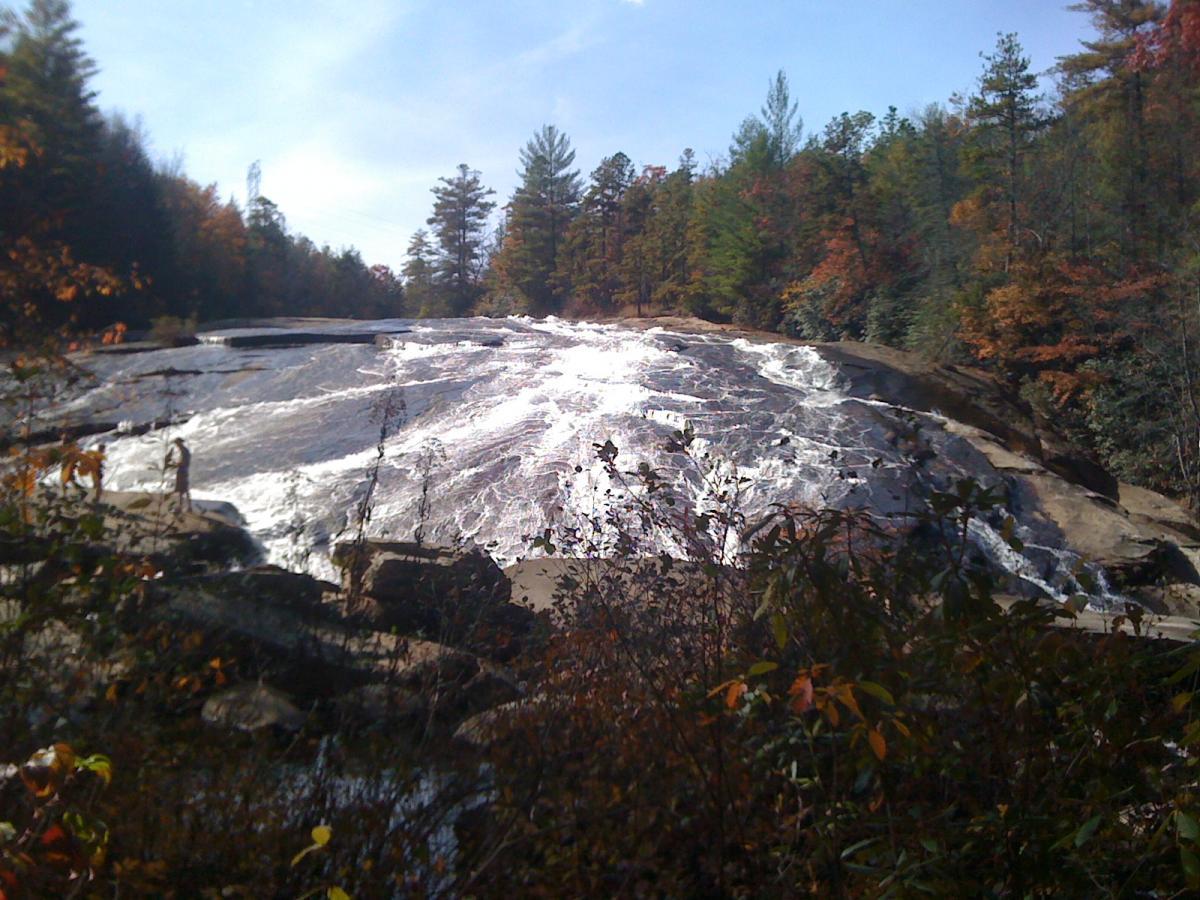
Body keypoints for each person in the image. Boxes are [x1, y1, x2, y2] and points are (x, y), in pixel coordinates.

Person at [165, 437, 192, 513]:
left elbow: (183, 463)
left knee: (182, 489)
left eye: (177, 443)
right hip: (184, 470)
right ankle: (186, 506)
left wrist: (174, 464)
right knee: (183, 489)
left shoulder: (184, 451)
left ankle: (185, 507)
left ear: (180, 443)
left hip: (182, 471)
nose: (176, 445)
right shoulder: (185, 451)